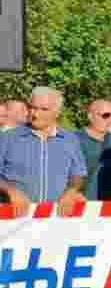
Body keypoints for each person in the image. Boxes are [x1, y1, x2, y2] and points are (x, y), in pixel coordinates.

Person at [0, 87, 87, 217]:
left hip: (55, 219)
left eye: (43, 109)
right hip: (13, 219)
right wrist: (11, 191)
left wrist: (72, 190)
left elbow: (78, 174)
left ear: (57, 112)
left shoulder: (70, 139)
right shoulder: (7, 138)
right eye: (33, 108)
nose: (35, 114)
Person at [76, 99, 111, 200]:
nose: (110, 119)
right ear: (90, 117)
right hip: (84, 204)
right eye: (105, 115)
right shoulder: (74, 139)